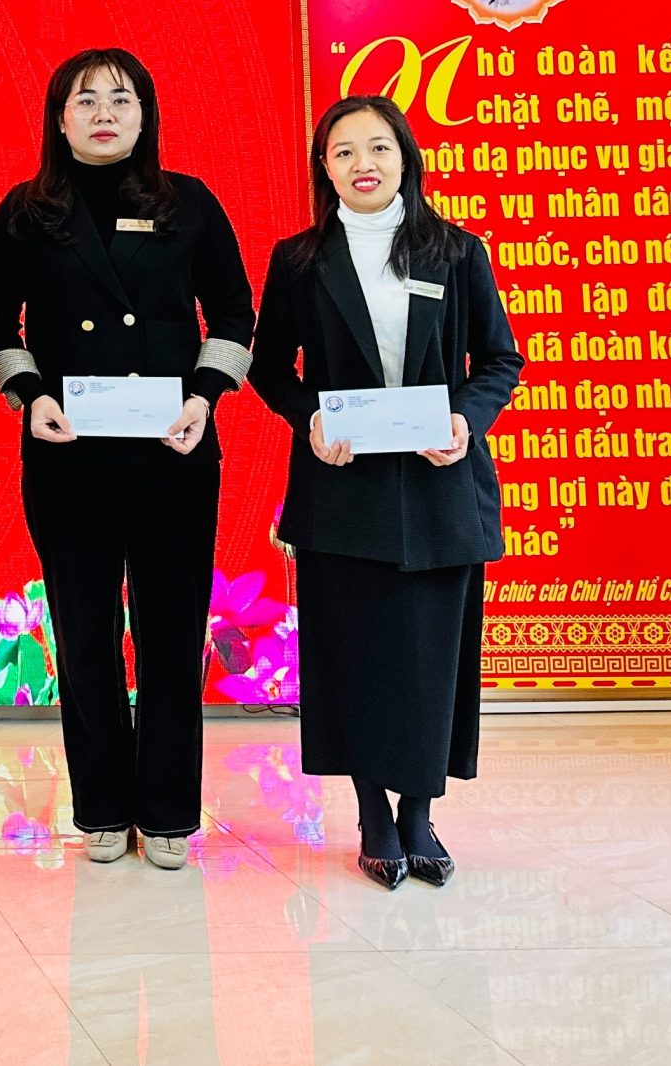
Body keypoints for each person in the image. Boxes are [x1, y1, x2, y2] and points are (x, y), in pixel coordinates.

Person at [0, 49, 255, 872]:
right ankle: (101, 804)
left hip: (174, 447)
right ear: (59, 119)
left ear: (146, 116)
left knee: (171, 630)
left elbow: (234, 314)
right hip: (67, 450)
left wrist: (204, 396)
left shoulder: (188, 202)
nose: (104, 113)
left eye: (121, 99)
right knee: (84, 632)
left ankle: (167, 809)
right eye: (86, 100)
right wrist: (30, 396)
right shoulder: (26, 212)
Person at [249, 94, 522, 890]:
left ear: (405, 158)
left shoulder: (457, 252)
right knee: (355, 656)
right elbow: (271, 369)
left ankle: (420, 814)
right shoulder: (300, 260)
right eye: (343, 152)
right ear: (324, 168)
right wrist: (309, 418)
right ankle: (373, 814)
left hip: (439, 486)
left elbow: (498, 360)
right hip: (344, 489)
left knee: (432, 660)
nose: (362, 164)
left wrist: (466, 420)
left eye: (378, 148)